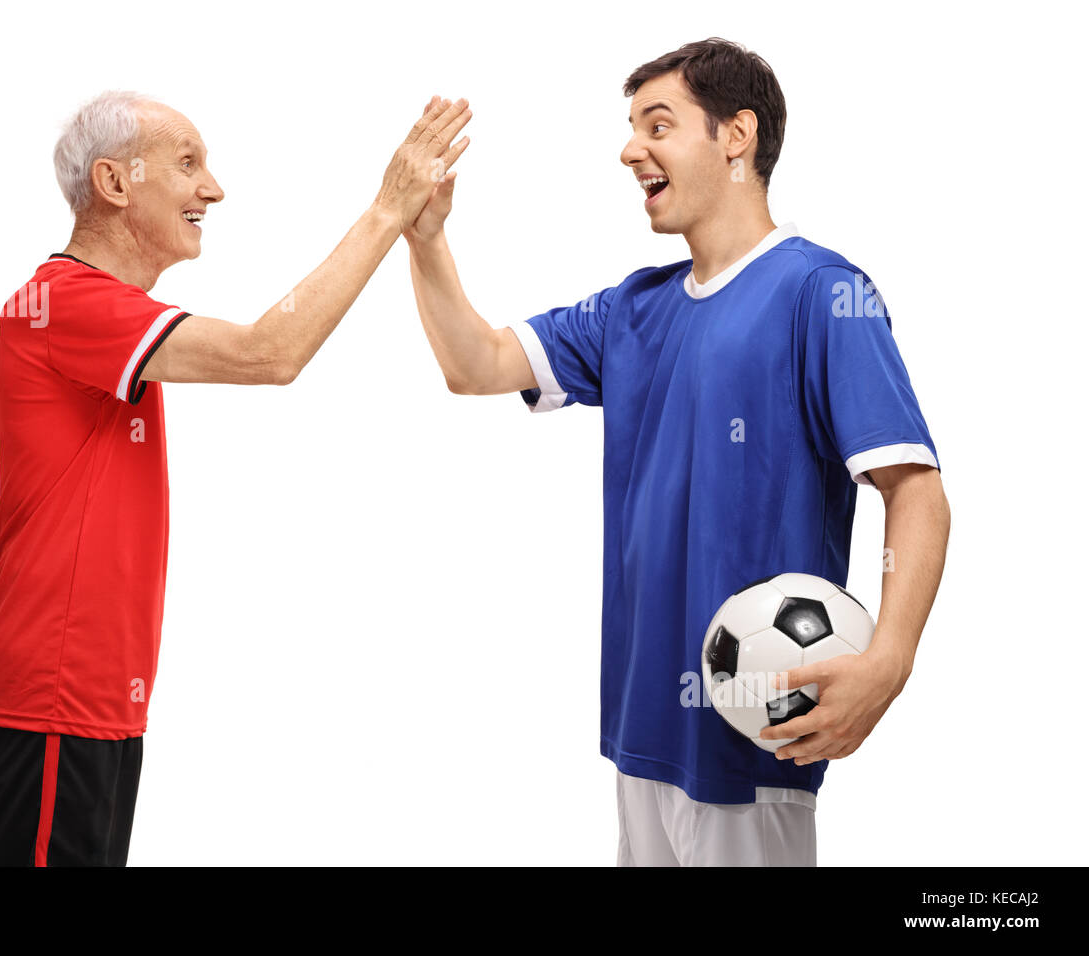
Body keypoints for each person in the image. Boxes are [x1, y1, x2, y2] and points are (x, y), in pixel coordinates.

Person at [403, 38, 950, 866]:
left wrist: (889, 661)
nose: (630, 150)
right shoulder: (634, 307)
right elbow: (472, 364)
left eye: (658, 125)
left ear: (737, 136)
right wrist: (426, 239)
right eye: (630, 128)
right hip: (642, 733)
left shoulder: (823, 292)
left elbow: (914, 490)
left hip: (752, 742)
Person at [0, 90, 472, 866]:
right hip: (48, 705)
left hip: (90, 705)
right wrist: (387, 210)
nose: (214, 189)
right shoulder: (65, 304)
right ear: (115, 182)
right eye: (189, 164)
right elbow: (272, 352)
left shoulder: (102, 317)